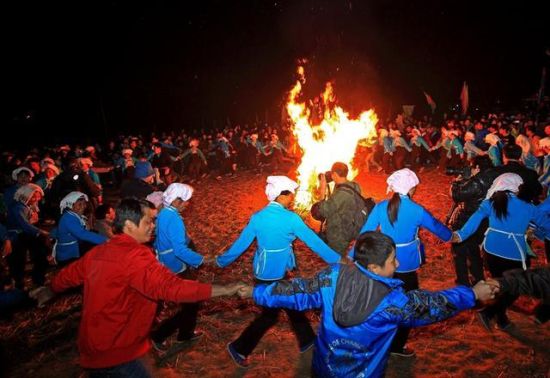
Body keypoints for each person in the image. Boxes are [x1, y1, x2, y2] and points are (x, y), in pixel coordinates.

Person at [237, 231, 495, 377]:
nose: (398, 264)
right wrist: (472, 294)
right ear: (373, 266)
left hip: (323, 369)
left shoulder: (332, 277)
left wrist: (254, 292)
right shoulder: (393, 302)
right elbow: (432, 305)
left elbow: (294, 291)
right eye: (393, 260)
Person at [46, 198, 244, 377]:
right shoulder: (135, 256)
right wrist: (226, 289)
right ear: (130, 225)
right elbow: (171, 287)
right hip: (119, 351)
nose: (154, 227)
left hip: (95, 346)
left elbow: (68, 276)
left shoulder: (101, 251)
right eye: (148, 221)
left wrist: (49, 289)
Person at [214, 175, 342, 367]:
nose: (293, 198)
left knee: (291, 304)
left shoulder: (258, 217)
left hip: (263, 271)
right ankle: (239, 348)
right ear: (283, 195)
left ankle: (307, 340)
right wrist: (338, 260)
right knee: (270, 315)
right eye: (292, 194)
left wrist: (221, 261)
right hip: (276, 274)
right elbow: (314, 242)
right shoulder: (291, 218)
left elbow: (240, 245)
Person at [358, 168, 452, 357]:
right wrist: (452, 236)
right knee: (407, 305)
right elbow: (436, 227)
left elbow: (365, 234)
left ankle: (373, 340)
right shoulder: (417, 210)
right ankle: (396, 346)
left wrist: (354, 257)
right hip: (407, 264)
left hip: (383, 261)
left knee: (380, 303)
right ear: (411, 189)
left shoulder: (381, 206)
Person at [451, 173, 545, 330]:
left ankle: (501, 319)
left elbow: (474, 220)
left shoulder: (490, 202)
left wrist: (460, 235)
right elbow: (545, 224)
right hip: (513, 253)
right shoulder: (528, 207)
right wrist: (538, 234)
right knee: (515, 287)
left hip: (491, 250)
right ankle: (490, 312)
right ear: (516, 188)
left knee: (498, 283)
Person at [150, 183, 206, 351]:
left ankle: (185, 333)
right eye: (186, 201)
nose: (188, 204)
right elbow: (180, 249)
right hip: (175, 265)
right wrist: (200, 260)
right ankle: (160, 335)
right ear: (176, 201)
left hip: (168, 263)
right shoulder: (173, 218)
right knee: (191, 301)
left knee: (190, 302)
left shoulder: (164, 213)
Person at [314, 162, 369, 255]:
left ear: (335, 174)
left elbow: (323, 211)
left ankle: (339, 267)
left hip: (339, 234)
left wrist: (322, 191)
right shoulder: (354, 185)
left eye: (332, 174)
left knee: (336, 257)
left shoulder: (341, 194)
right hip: (350, 226)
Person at [5, 184, 50, 289]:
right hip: (15, 236)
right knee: (18, 260)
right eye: (34, 196)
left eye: (38, 196)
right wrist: (41, 232)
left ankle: (38, 278)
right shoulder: (17, 207)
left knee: (39, 252)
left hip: (25, 235)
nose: (36, 199)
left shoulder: (28, 207)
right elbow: (24, 225)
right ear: (26, 195)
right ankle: (17, 284)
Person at [52, 192, 108, 267]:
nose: (83, 206)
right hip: (68, 256)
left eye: (84, 204)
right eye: (79, 204)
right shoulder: (69, 219)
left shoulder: (74, 216)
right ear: (71, 206)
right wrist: (105, 240)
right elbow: (83, 234)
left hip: (73, 250)